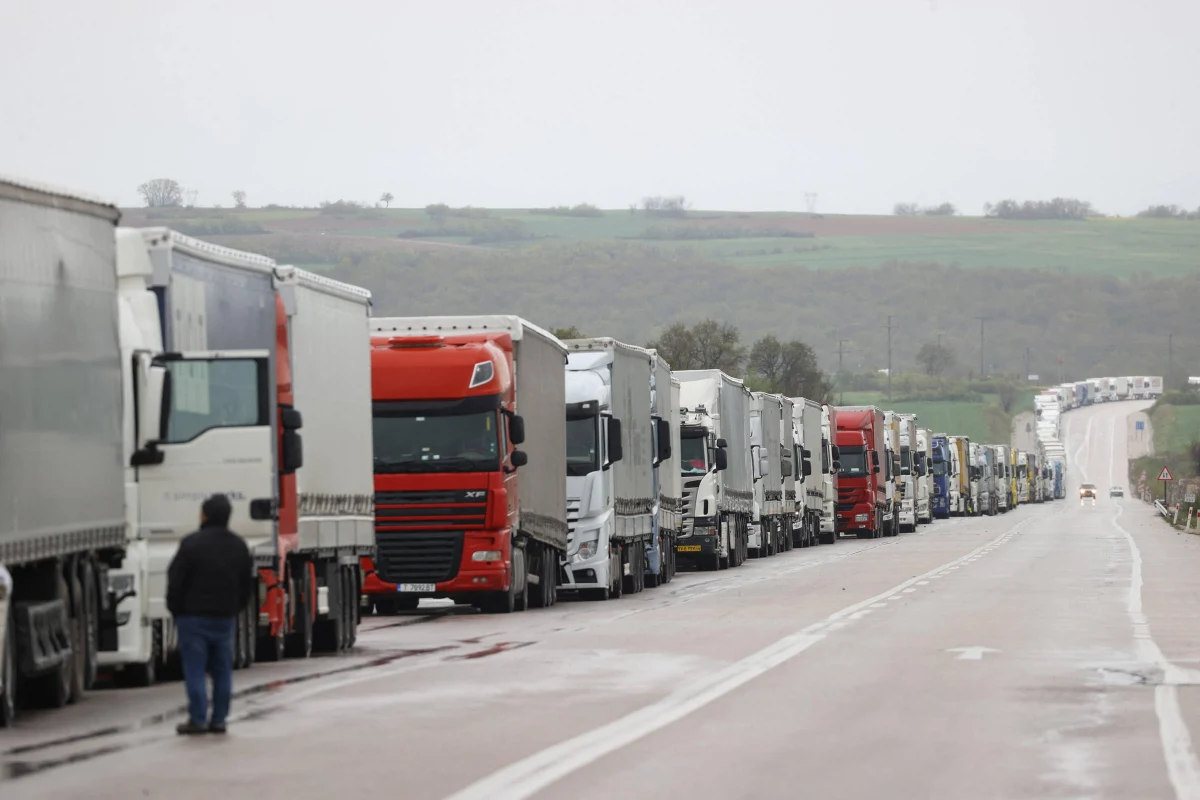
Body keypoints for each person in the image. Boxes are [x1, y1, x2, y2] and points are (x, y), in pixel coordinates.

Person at [167, 493, 253, 735]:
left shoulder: (191, 544)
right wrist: (234, 608)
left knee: (195, 670)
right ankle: (219, 719)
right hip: (223, 617)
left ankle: (198, 719)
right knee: (222, 670)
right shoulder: (238, 546)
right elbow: (246, 585)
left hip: (192, 618)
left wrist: (176, 610)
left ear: (204, 515)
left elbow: (176, 580)